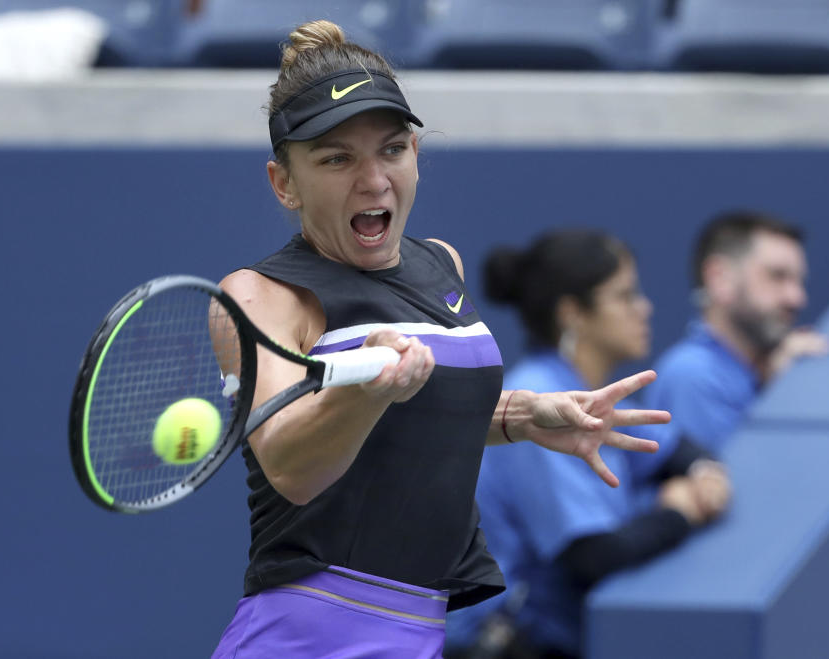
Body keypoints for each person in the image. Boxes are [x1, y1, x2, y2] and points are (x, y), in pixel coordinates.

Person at [208, 20, 671, 659]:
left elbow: (415, 417)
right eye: (337, 158)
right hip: (310, 633)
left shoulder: (440, 264)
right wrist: (366, 393)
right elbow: (290, 465)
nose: (372, 181)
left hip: (419, 629)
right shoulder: (260, 297)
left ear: (417, 155)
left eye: (391, 149)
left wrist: (518, 415)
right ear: (283, 183)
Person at [444, 229, 731, 658]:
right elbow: (591, 556)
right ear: (573, 313)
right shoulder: (537, 398)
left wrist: (702, 472)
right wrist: (680, 513)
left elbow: (675, 449)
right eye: (626, 295)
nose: (645, 308)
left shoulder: (589, 391)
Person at [645, 211, 829, 454]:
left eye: (799, 281)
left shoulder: (768, 373)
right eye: (777, 276)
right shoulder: (692, 375)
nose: (797, 298)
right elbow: (748, 486)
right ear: (720, 278)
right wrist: (784, 395)